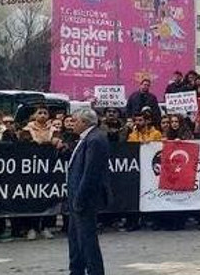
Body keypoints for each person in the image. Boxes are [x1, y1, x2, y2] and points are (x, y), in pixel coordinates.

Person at [65, 108, 107, 275]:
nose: (72, 124)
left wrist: (80, 198)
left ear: (84, 122)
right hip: (76, 195)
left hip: (85, 198)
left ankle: (95, 271)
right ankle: (76, 270)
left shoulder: (95, 139)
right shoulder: (85, 139)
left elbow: (91, 173)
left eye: (75, 121)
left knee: (87, 241)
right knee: (75, 239)